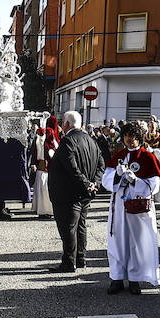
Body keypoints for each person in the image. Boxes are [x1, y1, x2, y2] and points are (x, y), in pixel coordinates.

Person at [101, 121, 160, 295]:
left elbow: (155, 184)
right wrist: (117, 175)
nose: (130, 140)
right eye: (127, 136)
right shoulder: (119, 155)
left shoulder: (147, 157)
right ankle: (117, 277)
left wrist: (136, 181)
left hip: (138, 207)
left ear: (140, 138)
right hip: (119, 207)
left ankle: (135, 278)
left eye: (134, 137)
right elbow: (106, 180)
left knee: (137, 241)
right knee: (117, 240)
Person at [47, 110, 103, 274]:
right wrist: (94, 184)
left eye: (62, 123)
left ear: (66, 124)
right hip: (83, 194)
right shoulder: (91, 140)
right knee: (80, 227)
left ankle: (69, 262)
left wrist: (87, 184)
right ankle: (80, 259)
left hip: (68, 193)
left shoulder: (68, 141)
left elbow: (72, 168)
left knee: (69, 228)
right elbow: (101, 165)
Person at [31, 114, 59, 219]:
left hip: (46, 167)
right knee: (44, 189)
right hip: (43, 166)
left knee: (44, 189)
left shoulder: (49, 138)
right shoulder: (45, 137)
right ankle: (45, 210)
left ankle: (46, 210)